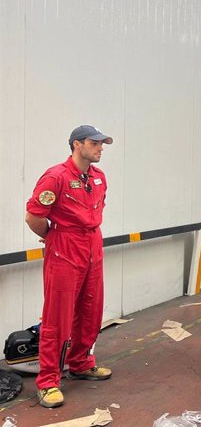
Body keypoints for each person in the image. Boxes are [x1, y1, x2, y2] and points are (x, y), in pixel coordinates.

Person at [25, 125, 114, 408]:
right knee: (58, 317)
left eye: (102, 143)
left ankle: (81, 362)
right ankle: (48, 381)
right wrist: (53, 236)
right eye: (95, 142)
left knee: (91, 309)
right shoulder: (56, 177)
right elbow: (33, 216)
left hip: (92, 246)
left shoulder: (99, 178)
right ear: (77, 145)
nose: (101, 148)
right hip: (65, 247)